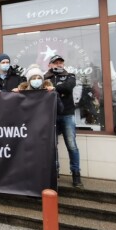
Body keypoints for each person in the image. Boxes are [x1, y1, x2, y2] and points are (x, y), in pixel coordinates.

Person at [44, 55, 83, 188]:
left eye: (61, 62)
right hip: (51, 115)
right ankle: (55, 172)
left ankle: (76, 174)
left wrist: (53, 88)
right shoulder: (45, 78)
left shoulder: (70, 75)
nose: (59, 64)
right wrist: (54, 87)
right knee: (52, 146)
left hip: (67, 115)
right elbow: (43, 90)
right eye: (56, 63)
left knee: (71, 145)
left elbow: (68, 87)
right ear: (50, 65)